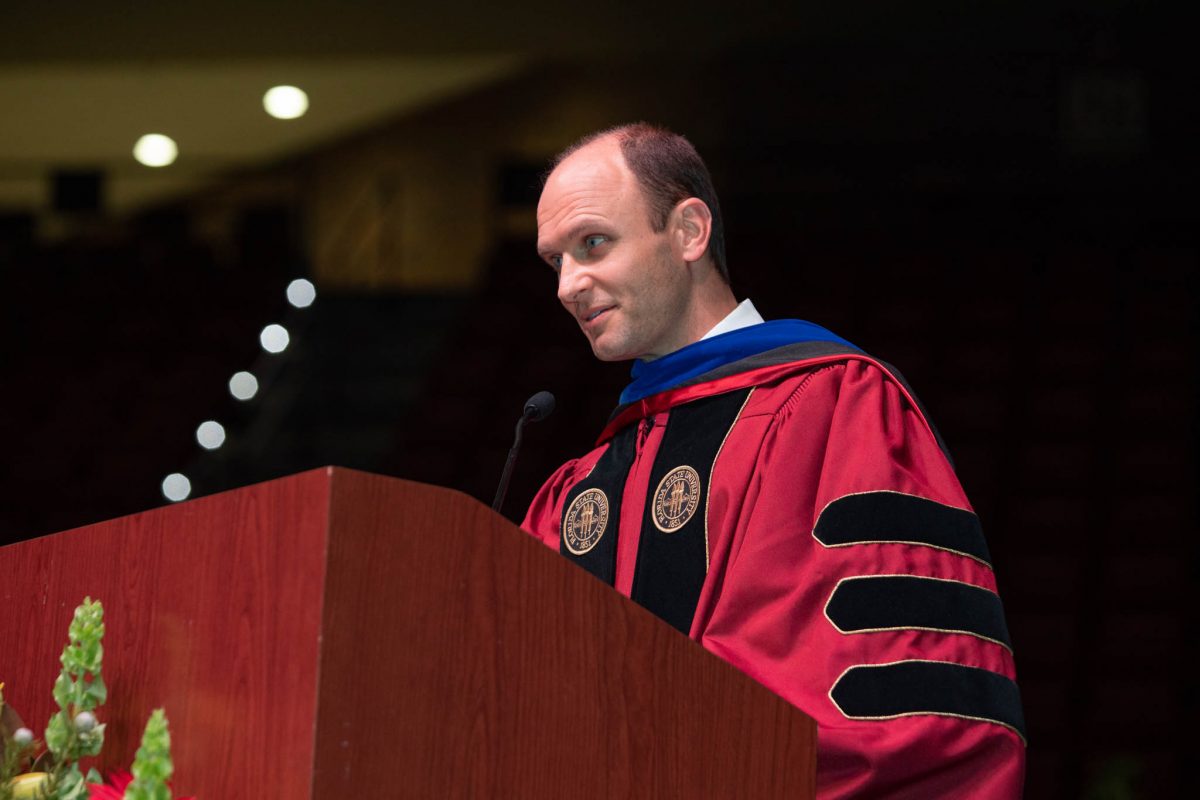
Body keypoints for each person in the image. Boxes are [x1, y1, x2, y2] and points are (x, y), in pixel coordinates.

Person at [521, 123, 1025, 799]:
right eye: (556, 261)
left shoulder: (836, 407)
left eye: (593, 244)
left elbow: (887, 712)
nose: (568, 285)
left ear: (689, 232)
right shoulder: (578, 489)